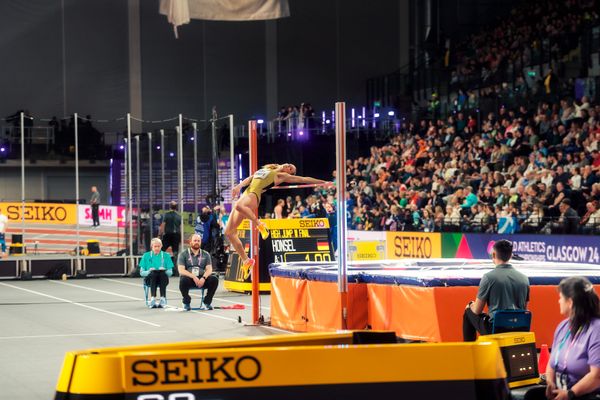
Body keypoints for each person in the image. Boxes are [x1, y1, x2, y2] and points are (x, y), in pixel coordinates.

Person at [224, 163, 331, 275]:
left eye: (291, 169)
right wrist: (238, 187)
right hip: (245, 194)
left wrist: (323, 182)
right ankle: (246, 260)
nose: (289, 167)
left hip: (253, 195)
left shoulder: (281, 176)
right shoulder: (266, 169)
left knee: (238, 206)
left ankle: (260, 225)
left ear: (288, 173)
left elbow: (303, 179)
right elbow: (250, 178)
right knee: (229, 232)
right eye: (290, 165)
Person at [544, 277, 600, 400]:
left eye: (560, 297)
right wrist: (550, 382)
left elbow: (596, 377)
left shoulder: (596, 329)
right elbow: (552, 363)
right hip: (561, 392)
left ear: (570, 302)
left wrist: (570, 393)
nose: (558, 301)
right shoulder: (562, 326)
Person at [463, 239, 530, 341]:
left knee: (468, 311)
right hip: (520, 328)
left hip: (496, 329)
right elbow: (524, 309)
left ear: (493, 255)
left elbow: (477, 310)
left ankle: (469, 352)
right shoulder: (524, 279)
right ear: (511, 255)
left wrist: (470, 305)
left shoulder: (489, 277)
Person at [177, 233, 218, 311]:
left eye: (198, 241)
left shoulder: (206, 254)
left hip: (202, 278)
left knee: (214, 279)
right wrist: (193, 276)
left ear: (200, 242)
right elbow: (181, 270)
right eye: (195, 240)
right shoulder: (183, 254)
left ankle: (206, 302)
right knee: (183, 281)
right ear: (190, 242)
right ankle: (186, 301)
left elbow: (209, 269)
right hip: (189, 278)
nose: (196, 242)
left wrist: (203, 278)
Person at [139, 238, 174, 308]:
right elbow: (141, 272)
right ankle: (153, 298)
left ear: (161, 246)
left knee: (162, 273)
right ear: (152, 246)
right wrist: (148, 271)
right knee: (153, 274)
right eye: (155, 246)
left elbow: (170, 272)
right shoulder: (146, 255)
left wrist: (165, 270)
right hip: (150, 279)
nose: (157, 248)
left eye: (158, 246)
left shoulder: (166, 255)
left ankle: (162, 298)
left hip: (163, 279)